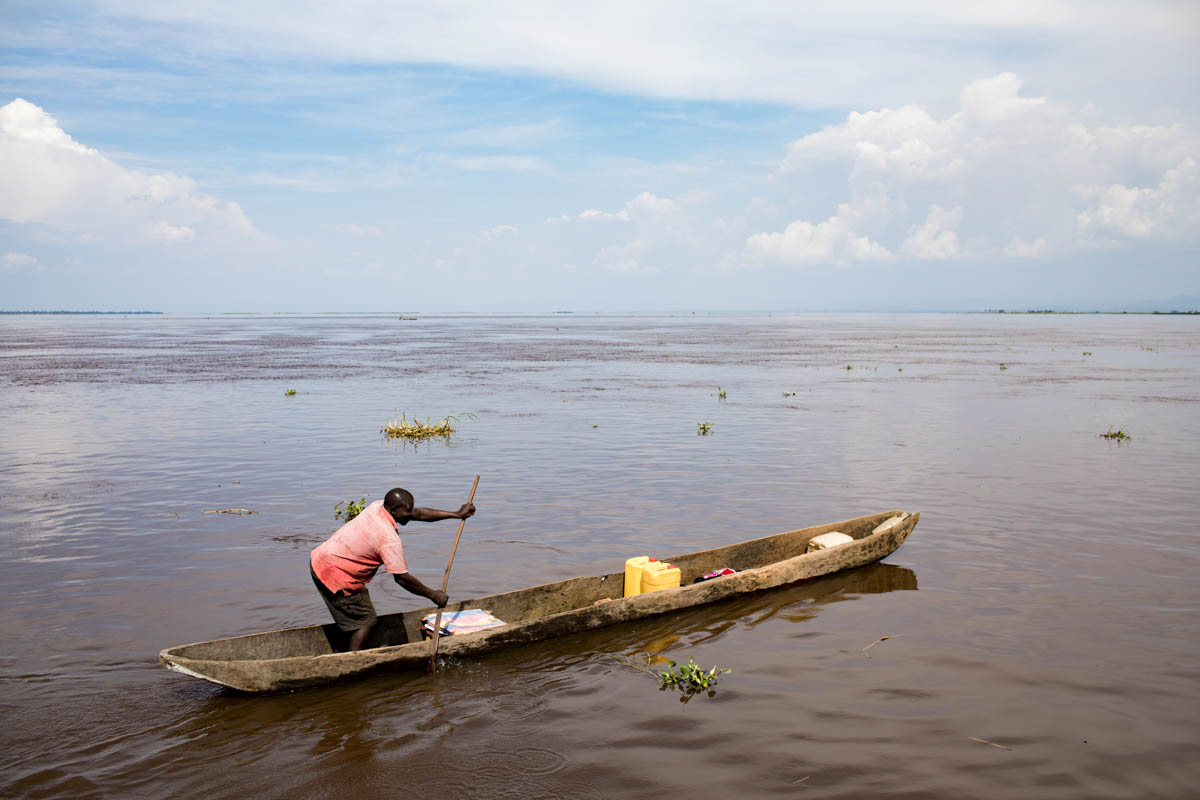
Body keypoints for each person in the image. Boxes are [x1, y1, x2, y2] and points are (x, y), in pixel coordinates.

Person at [310, 487, 476, 651]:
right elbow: (401, 578)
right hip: (335, 574)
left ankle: (347, 647)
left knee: (355, 616)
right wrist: (433, 595)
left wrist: (457, 514)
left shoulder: (378, 507)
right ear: (394, 510)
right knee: (365, 620)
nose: (410, 514)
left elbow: (417, 513)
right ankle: (350, 663)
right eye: (406, 511)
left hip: (320, 560)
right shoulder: (388, 538)